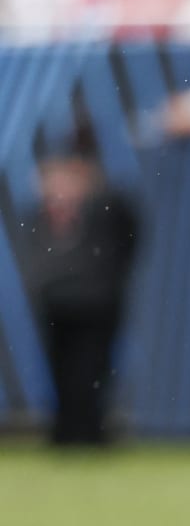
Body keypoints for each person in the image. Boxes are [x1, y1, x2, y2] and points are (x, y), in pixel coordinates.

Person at [15, 136, 139, 446]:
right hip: (57, 299)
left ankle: (89, 431)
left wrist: (107, 276)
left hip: (95, 299)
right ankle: (66, 431)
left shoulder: (106, 203)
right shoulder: (42, 210)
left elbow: (129, 240)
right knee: (61, 369)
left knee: (91, 369)